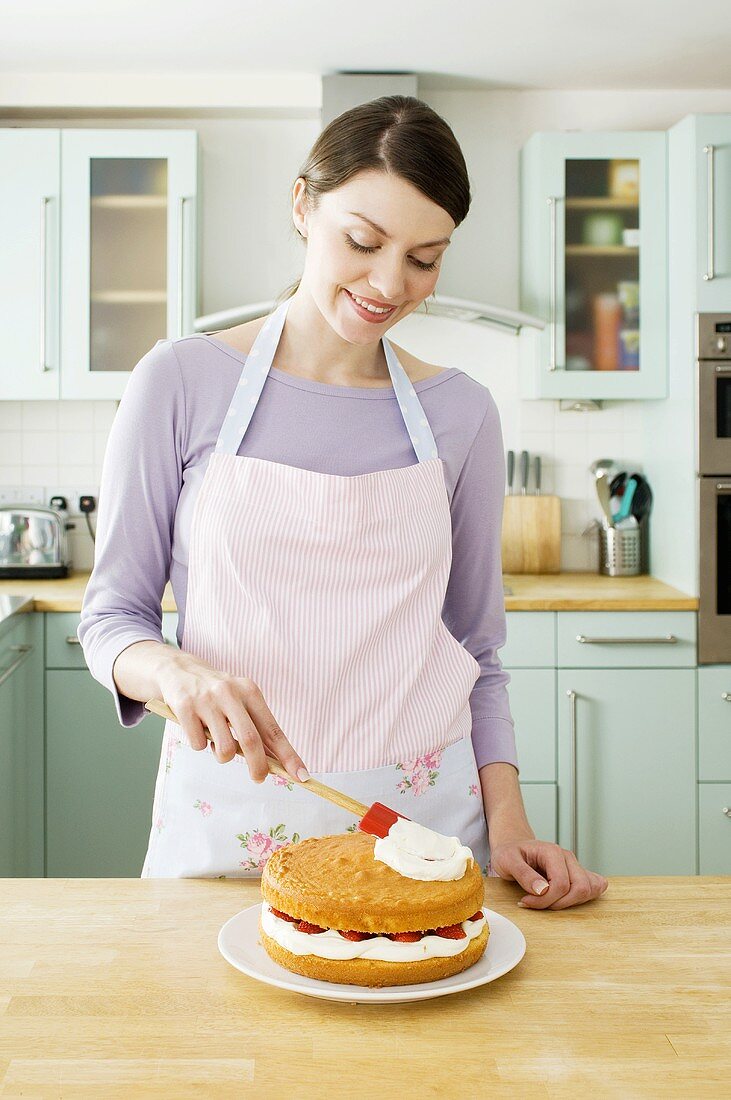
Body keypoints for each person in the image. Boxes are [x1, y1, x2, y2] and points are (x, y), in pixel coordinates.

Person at [79, 95, 608, 910]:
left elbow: (476, 651)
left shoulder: (460, 413)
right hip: (230, 815)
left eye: (425, 258)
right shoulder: (180, 381)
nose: (390, 284)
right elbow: (111, 619)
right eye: (362, 241)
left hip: (420, 823)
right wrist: (175, 672)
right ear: (302, 206)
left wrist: (509, 824)